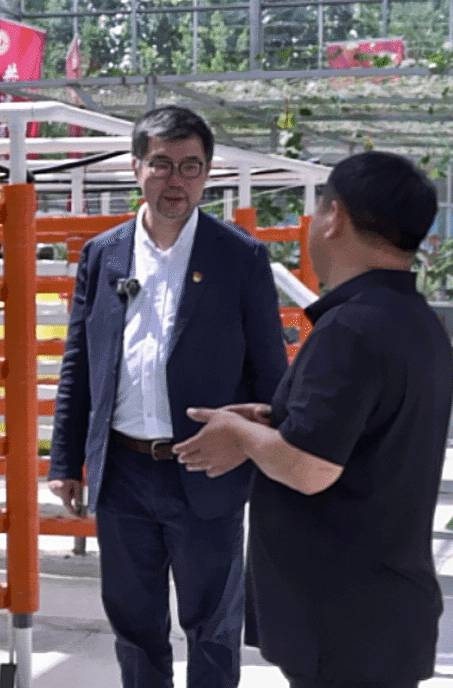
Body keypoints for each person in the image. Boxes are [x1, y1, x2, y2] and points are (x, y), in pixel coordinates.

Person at [174, 151, 453, 688]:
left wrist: (239, 434)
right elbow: (362, 431)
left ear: (335, 217)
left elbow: (310, 468)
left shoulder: (350, 328)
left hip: (342, 618)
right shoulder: (417, 322)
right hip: (381, 610)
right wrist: (274, 418)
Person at [47, 104, 288, 688]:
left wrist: (257, 454)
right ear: (136, 169)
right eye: (161, 164)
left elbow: (271, 376)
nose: (175, 180)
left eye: (190, 166)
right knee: (134, 629)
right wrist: (65, 461)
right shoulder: (103, 254)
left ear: (207, 173)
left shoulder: (240, 257)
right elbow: (79, 362)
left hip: (206, 469)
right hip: (123, 472)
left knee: (213, 628)